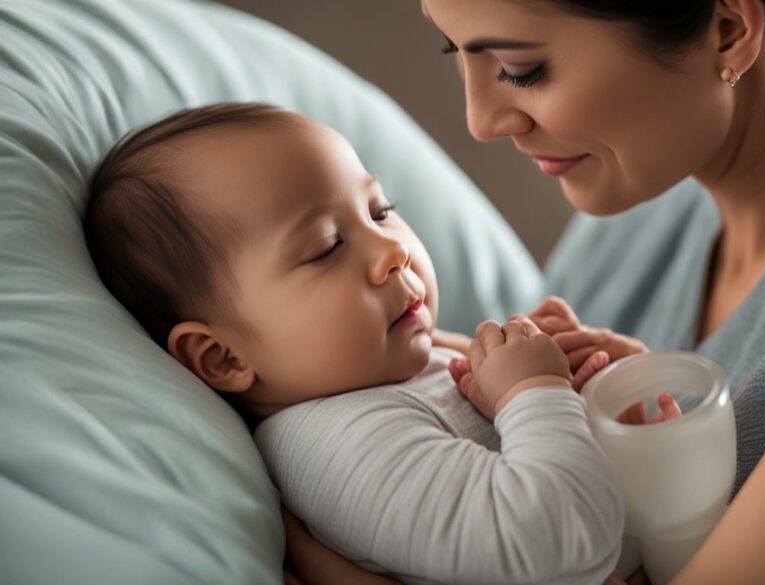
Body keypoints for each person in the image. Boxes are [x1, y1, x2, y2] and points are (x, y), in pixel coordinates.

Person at [285, 0, 765, 584]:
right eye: (459, 53)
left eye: (521, 68)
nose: (483, 120)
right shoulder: (649, 211)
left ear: (728, 29)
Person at [83, 103, 679, 584]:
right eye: (324, 247)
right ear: (225, 357)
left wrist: (599, 387)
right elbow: (557, 541)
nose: (392, 251)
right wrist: (534, 393)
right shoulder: (332, 443)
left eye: (380, 209)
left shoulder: (407, 362)